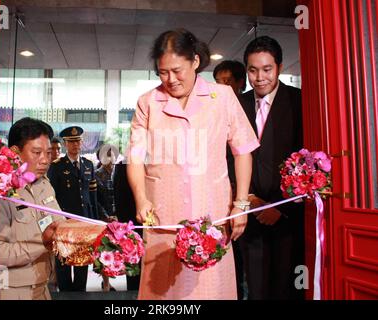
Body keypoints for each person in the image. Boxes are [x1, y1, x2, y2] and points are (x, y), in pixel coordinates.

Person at [126, 28, 259, 299]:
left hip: (210, 213)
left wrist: (241, 203)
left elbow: (243, 150)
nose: (171, 79)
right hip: (163, 214)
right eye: (163, 72)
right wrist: (141, 199)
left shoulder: (221, 97)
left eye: (177, 70)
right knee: (164, 290)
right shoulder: (148, 102)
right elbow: (135, 158)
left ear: (195, 61)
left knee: (210, 288)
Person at [237, 36, 304, 300]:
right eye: (252, 70)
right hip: (251, 215)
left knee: (286, 289)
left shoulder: (300, 101)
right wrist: (249, 199)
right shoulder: (238, 105)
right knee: (256, 289)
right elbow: (230, 157)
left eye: (267, 69)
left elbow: (307, 158)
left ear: (279, 67)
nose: (259, 77)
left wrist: (282, 207)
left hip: (288, 217)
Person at [0, 117, 64, 300]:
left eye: (48, 153)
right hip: (12, 291)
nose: (44, 160)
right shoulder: (2, 193)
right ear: (15, 152)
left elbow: (60, 224)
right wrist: (44, 242)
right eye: (36, 152)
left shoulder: (44, 185)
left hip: (43, 287)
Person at [47, 126, 98, 292]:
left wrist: (95, 221)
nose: (75, 145)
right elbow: (51, 197)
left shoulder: (89, 165)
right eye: (71, 142)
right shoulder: (57, 166)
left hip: (84, 224)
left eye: (78, 141)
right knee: (63, 264)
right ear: (65, 143)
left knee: (82, 263)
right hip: (64, 224)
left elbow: (93, 196)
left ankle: (80, 295)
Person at [213, 60, 248, 300]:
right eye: (218, 83)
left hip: (249, 196)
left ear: (240, 83)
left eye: (227, 82)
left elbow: (248, 153)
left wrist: (245, 196)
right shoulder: (213, 108)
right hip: (225, 197)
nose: (222, 87)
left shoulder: (244, 107)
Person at [113, 161, 142, 291]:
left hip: (153, 228)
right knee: (133, 266)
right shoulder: (122, 167)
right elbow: (119, 198)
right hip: (132, 227)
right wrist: (125, 228)